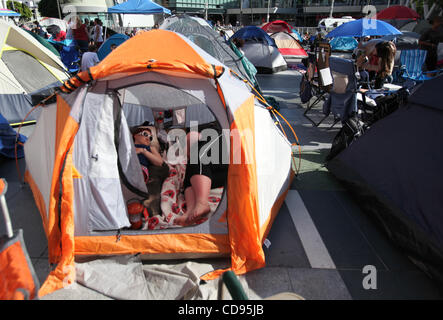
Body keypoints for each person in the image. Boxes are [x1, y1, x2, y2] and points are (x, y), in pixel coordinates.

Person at [174, 127, 228, 226]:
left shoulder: (213, 137)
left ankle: (202, 203)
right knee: (189, 177)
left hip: (231, 149)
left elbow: (192, 137)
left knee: (198, 157)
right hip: (226, 173)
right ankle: (190, 211)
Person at [133, 127, 170, 217]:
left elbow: (159, 162)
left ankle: (151, 211)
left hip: (142, 170)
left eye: (150, 138)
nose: (148, 138)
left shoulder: (150, 148)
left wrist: (143, 151)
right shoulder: (128, 146)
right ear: (135, 135)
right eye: (145, 134)